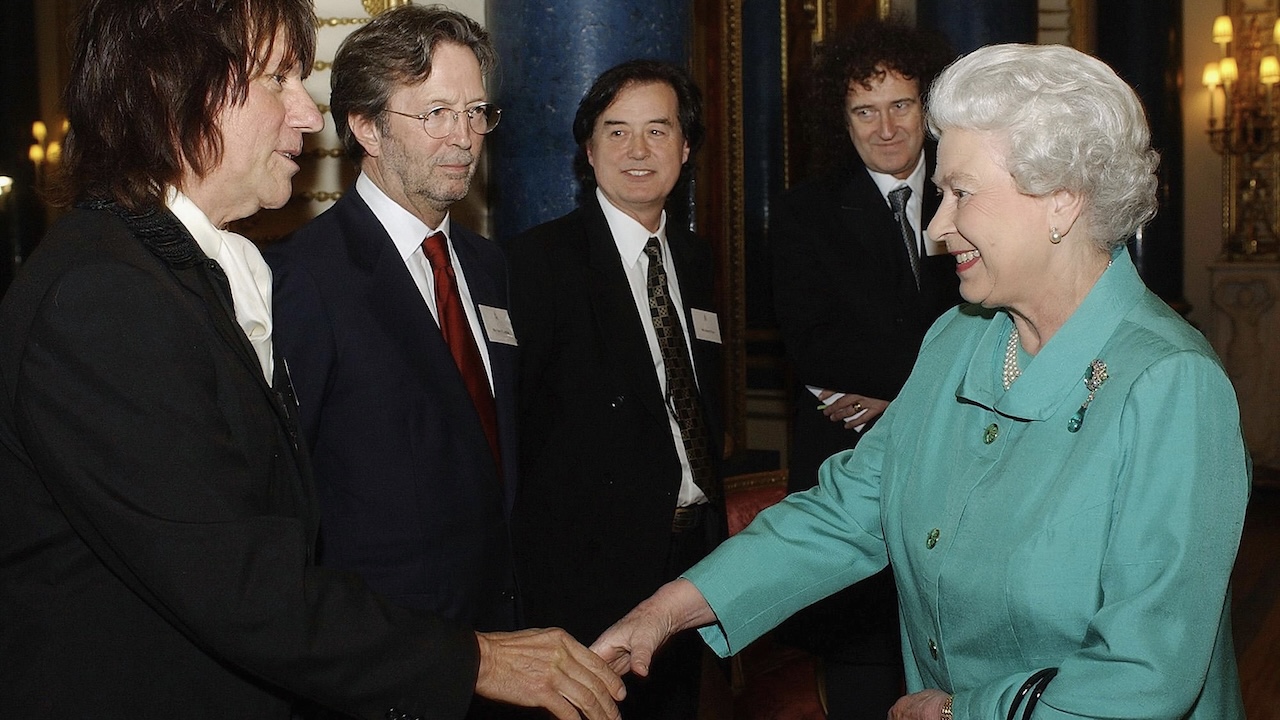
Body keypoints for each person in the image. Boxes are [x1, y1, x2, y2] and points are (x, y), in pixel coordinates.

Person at [0, 1, 624, 718]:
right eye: (277, 79)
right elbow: (240, 583)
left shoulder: (187, 273)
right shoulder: (103, 297)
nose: (306, 113)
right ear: (172, 89)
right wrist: (476, 657)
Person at [592, 44, 1250, 720]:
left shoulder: (1170, 386)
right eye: (941, 194)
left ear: (1062, 200)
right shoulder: (956, 338)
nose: (937, 227)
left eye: (961, 193)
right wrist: (668, 609)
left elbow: (1147, 671)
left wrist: (960, 712)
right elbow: (850, 511)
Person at [265, 5, 520, 650]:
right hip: (387, 654)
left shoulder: (489, 270)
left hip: (508, 634)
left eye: (475, 112)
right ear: (367, 128)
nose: (464, 138)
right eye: (436, 114)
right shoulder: (303, 279)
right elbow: (285, 503)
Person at [506, 59, 725, 720]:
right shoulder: (536, 264)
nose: (638, 151)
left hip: (689, 563)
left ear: (684, 150)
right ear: (588, 151)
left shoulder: (697, 259)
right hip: (584, 576)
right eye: (617, 132)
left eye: (657, 132)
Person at [766, 20, 959, 717]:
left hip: (959, 479)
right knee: (863, 673)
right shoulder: (803, 214)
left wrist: (902, 399)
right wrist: (938, 379)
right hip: (853, 476)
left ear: (929, 108)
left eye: (901, 105)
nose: (885, 128)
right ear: (838, 118)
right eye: (864, 110)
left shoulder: (974, 199)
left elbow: (1000, 329)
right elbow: (815, 347)